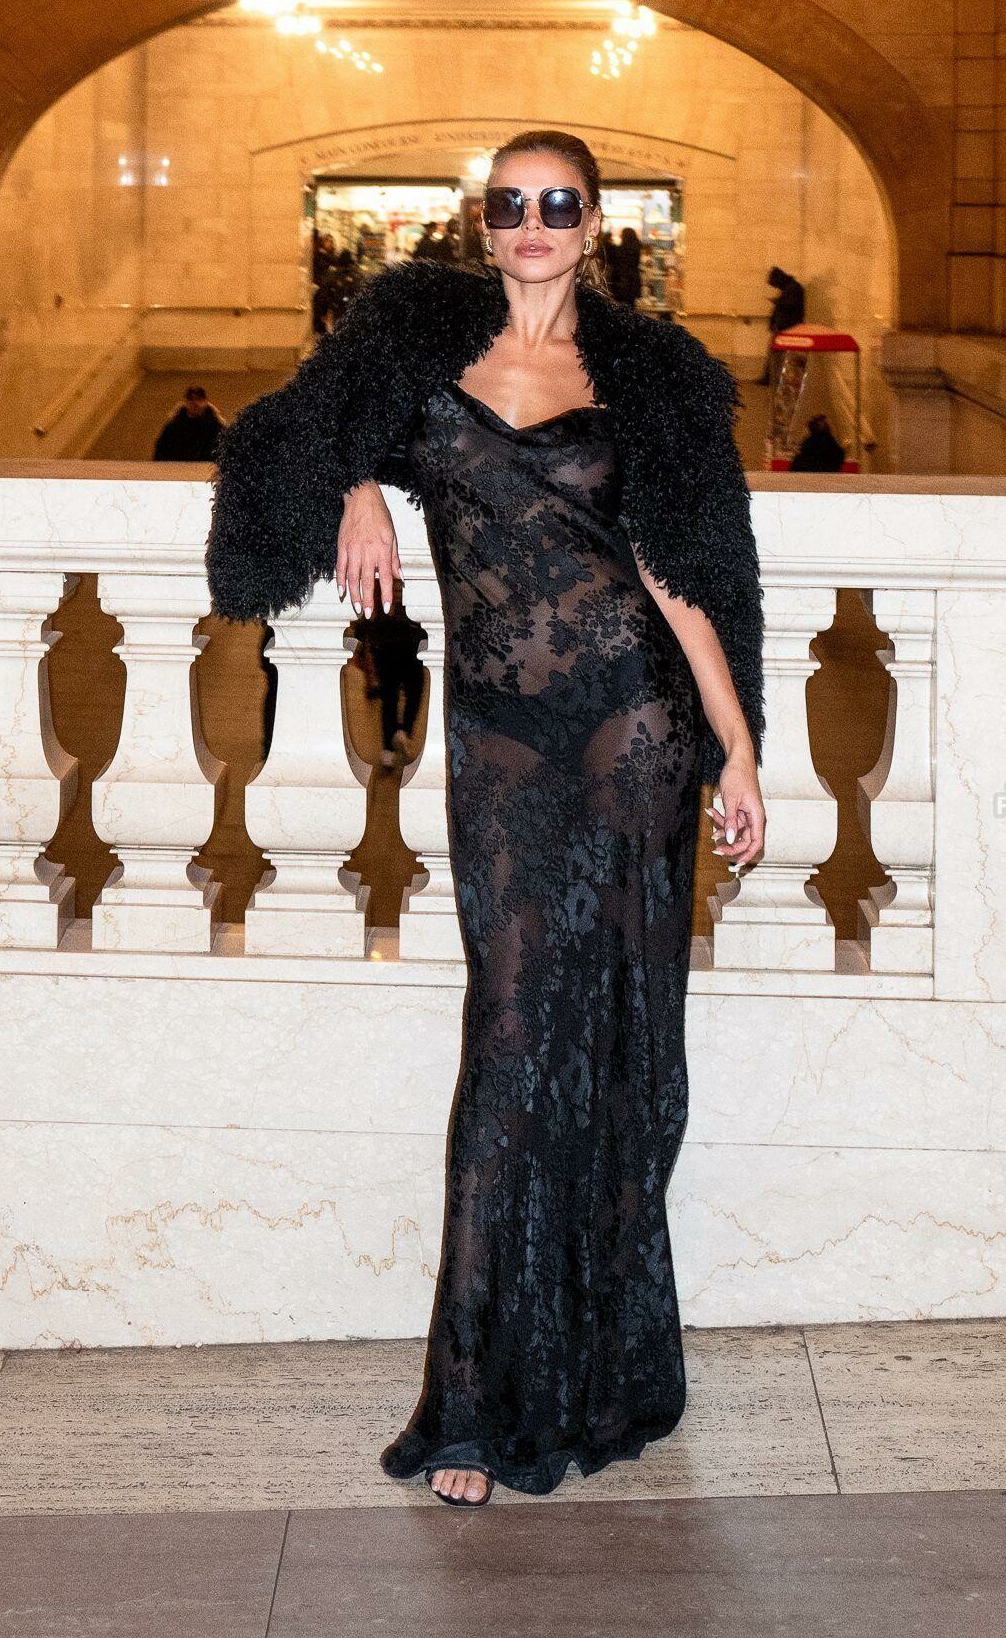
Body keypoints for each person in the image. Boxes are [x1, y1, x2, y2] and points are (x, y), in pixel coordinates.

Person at [205, 127, 766, 1509]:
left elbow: (684, 570)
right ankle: (470, 1397)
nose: (532, 222)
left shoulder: (643, 373)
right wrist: (358, 487)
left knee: (622, 1038)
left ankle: (598, 1369)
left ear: (593, 221)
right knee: (512, 1037)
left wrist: (739, 747)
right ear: (483, 220)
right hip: (504, 739)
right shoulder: (416, 343)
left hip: (635, 726)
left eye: (557, 203)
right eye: (509, 202)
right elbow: (280, 438)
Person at [153, 385, 225, 463]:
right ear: (185, 402)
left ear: (206, 402)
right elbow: (160, 452)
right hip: (178, 469)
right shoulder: (173, 428)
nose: (195, 403)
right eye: (190, 399)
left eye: (199, 399)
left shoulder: (216, 427)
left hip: (208, 469)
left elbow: (225, 452)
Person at [760, 265, 805, 385]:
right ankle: (769, 378)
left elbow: (791, 307)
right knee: (775, 353)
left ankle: (772, 378)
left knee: (779, 354)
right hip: (784, 326)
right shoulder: (791, 288)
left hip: (787, 327)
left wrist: (778, 302)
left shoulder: (794, 289)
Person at [609, 225, 643, 307]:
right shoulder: (637, 248)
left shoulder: (620, 250)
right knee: (631, 305)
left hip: (620, 281)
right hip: (633, 281)